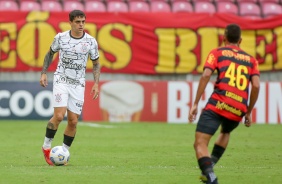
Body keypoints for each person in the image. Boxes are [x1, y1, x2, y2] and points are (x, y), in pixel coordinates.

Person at [189, 24, 260, 184]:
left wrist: (195, 103)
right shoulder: (251, 60)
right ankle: (210, 165)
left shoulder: (217, 53)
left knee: (200, 143)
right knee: (226, 131)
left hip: (219, 104)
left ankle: (211, 176)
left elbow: (206, 74)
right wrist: (248, 112)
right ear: (240, 40)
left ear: (224, 38)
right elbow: (255, 85)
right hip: (238, 108)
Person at [39, 10, 100, 166]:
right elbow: (50, 53)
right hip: (62, 79)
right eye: (78, 22)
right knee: (59, 116)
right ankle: (46, 147)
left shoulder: (91, 41)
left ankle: (63, 152)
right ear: (71, 22)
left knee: (73, 121)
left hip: (78, 83)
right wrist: (44, 73)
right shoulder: (61, 38)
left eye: (83, 22)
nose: (81, 25)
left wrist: (96, 83)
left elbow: (96, 63)